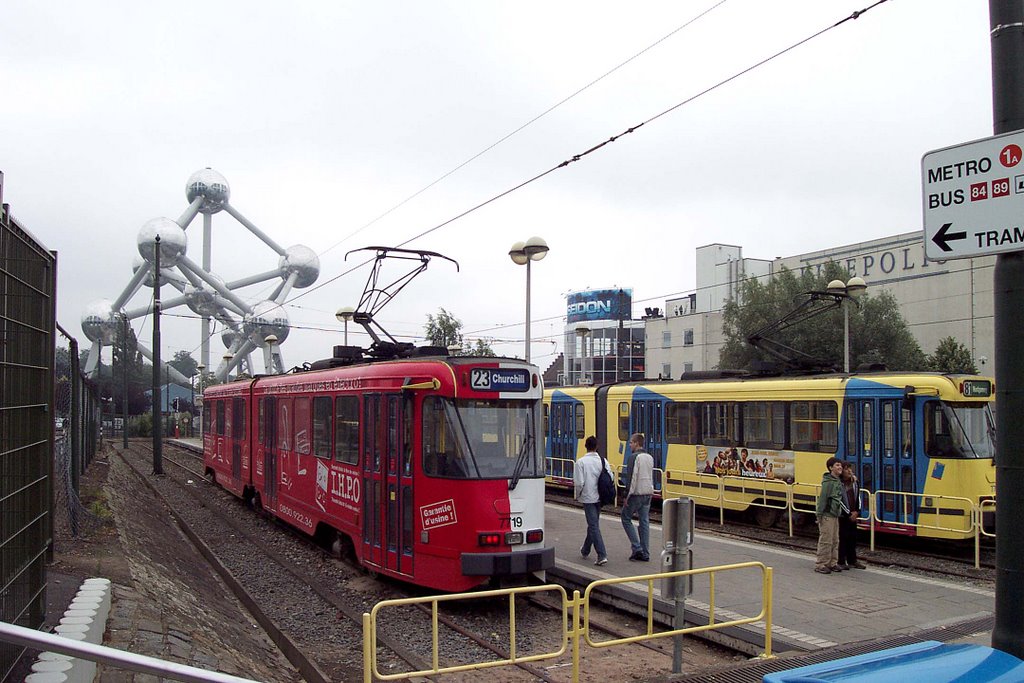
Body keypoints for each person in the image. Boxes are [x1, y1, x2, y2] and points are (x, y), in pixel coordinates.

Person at [574, 435, 612, 566]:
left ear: (585, 446)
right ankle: (585, 550)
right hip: (600, 497)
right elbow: (610, 477)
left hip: (588, 497)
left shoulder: (581, 462)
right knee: (593, 523)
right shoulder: (603, 461)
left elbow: (579, 483)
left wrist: (577, 495)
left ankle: (602, 555)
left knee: (594, 525)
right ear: (597, 447)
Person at [620, 433, 654, 561]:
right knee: (644, 521)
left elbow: (631, 478)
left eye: (631, 443)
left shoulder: (633, 458)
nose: (629, 445)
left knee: (625, 518)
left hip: (636, 494)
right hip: (648, 493)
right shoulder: (649, 457)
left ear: (636, 443)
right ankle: (645, 553)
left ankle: (637, 547)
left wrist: (626, 495)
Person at [814, 457, 848, 574]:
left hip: (834, 515)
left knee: (835, 540)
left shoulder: (837, 480)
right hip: (827, 515)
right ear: (830, 468)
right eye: (837, 465)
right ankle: (821, 564)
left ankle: (832, 562)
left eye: (840, 465)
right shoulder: (828, 483)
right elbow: (822, 500)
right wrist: (819, 515)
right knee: (826, 540)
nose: (840, 467)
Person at [836, 462, 867, 570]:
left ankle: (852, 560)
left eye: (850, 468)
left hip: (853, 514)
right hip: (843, 516)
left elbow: (858, 496)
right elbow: (839, 500)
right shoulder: (838, 483)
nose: (849, 471)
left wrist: (857, 511)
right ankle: (841, 560)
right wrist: (848, 513)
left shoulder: (855, 482)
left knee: (853, 538)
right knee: (843, 538)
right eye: (846, 469)